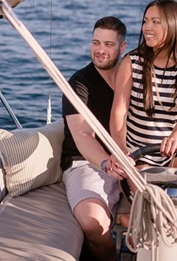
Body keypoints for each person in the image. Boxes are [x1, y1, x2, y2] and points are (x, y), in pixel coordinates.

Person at [107, 0, 177, 242]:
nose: (146, 27)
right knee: (151, 201)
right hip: (141, 153)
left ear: (173, 25)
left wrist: (175, 138)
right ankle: (138, 233)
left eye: (155, 22)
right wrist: (122, 151)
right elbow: (119, 111)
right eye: (145, 21)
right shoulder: (132, 62)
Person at [61, 16, 127, 261]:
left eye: (108, 45)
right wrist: (106, 163)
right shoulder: (79, 84)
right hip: (87, 163)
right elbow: (83, 135)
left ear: (122, 47)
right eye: (95, 42)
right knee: (92, 224)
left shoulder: (132, 79)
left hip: (132, 157)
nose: (100, 50)